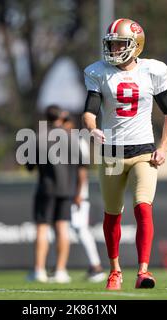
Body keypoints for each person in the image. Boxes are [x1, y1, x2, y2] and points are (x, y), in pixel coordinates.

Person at [81, 18, 167, 290]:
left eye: (119, 44)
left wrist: (164, 147)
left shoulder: (152, 71)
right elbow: (89, 110)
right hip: (111, 153)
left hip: (144, 152)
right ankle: (115, 271)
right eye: (110, 44)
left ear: (135, 45)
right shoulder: (98, 72)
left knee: (143, 207)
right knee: (112, 214)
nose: (113, 49)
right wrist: (92, 128)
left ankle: (143, 271)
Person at [26, 105, 81, 283]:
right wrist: (78, 191)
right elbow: (81, 167)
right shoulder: (73, 138)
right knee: (62, 228)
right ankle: (60, 271)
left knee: (42, 228)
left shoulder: (39, 136)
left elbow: (29, 166)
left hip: (46, 188)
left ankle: (39, 271)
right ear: (61, 117)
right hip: (67, 189)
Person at [62, 114, 106, 283]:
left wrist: (79, 193)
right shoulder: (64, 142)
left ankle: (96, 267)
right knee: (66, 229)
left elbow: (83, 170)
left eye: (65, 123)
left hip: (77, 195)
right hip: (67, 193)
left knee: (81, 229)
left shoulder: (77, 142)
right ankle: (61, 268)